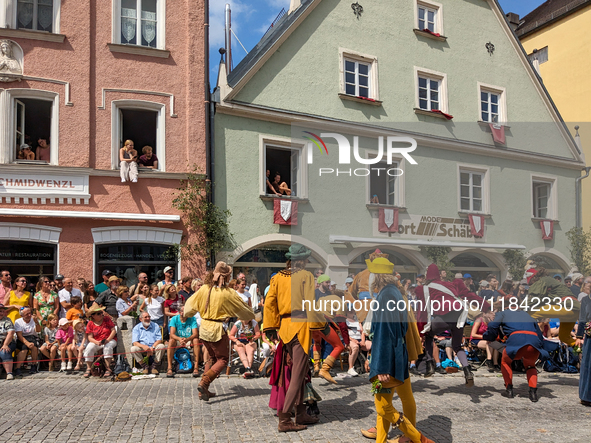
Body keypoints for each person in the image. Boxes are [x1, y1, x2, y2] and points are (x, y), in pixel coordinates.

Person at [368, 258, 435, 443]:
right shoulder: (395, 292)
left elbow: (384, 333)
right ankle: (383, 440)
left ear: (377, 276)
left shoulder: (386, 295)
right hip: (398, 356)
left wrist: (380, 366)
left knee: (382, 406)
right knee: (402, 397)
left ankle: (416, 437)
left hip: (386, 361)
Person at [263, 245, 324, 432]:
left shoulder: (277, 277)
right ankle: (284, 419)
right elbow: (309, 303)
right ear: (302, 260)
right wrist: (318, 327)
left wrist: (271, 327)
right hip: (301, 325)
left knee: (302, 370)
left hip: (285, 327)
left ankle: (301, 412)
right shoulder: (305, 276)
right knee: (298, 373)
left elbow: (269, 303)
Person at [184, 262, 255, 402]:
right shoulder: (228, 293)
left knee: (211, 358)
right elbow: (245, 311)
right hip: (217, 329)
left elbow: (188, 309)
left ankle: (202, 391)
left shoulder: (204, 288)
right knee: (223, 359)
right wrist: (249, 315)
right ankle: (204, 383)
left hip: (204, 328)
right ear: (226, 276)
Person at [415, 263, 482, 387]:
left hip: (445, 316)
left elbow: (422, 310)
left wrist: (421, 329)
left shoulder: (425, 288)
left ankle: (430, 365)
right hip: (459, 316)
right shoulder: (449, 284)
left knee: (429, 335)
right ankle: (467, 371)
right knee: (457, 345)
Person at [483, 308, 548, 402]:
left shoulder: (502, 313)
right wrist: (540, 349)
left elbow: (493, 324)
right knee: (530, 366)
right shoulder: (527, 315)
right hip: (533, 342)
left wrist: (490, 337)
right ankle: (533, 393)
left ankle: (509, 390)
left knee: (505, 362)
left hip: (516, 340)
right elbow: (539, 334)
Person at [525, 267, 580, 347]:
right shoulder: (549, 281)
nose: (530, 285)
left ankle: (523, 334)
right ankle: (583, 349)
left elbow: (534, 298)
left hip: (567, 308)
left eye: (530, 283)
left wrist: (520, 309)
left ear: (533, 277)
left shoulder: (542, 281)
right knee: (564, 337)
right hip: (575, 310)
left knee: (531, 313)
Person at [83, 306, 117, 378]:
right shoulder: (90, 323)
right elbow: (90, 337)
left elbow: (113, 330)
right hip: (97, 341)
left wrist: (107, 340)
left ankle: (108, 367)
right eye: (98, 313)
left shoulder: (106, 319)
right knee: (89, 348)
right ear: (93, 315)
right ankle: (89, 367)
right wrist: (97, 342)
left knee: (108, 347)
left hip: (110, 339)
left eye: (101, 312)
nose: (101, 314)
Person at [166, 305, 200, 378]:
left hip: (188, 339)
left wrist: (187, 339)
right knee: (171, 341)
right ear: (181, 312)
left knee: (196, 340)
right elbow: (172, 334)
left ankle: (196, 367)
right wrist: (179, 339)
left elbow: (195, 333)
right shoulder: (174, 319)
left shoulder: (192, 319)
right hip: (178, 339)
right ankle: (169, 367)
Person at [14, 307, 42, 376]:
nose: (30, 315)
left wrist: (36, 322)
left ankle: (34, 365)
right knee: (24, 349)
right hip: (22, 338)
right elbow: (19, 335)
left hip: (32, 336)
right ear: (22, 315)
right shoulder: (18, 322)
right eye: (27, 314)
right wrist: (27, 343)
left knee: (34, 346)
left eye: (30, 313)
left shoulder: (34, 319)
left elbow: (38, 331)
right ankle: (18, 368)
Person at [575, 287, 591, 406]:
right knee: (588, 364)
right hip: (590, 337)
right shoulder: (586, 299)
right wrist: (579, 336)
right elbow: (582, 319)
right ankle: (587, 396)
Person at [345, 309, 370, 377]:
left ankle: (369, 364)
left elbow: (362, 332)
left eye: (352, 311)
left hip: (359, 339)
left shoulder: (358, 321)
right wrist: (353, 340)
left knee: (372, 345)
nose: (351, 312)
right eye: (349, 311)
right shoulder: (345, 321)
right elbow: (344, 334)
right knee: (355, 347)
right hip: (350, 340)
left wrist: (362, 341)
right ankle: (350, 368)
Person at [0, 304, 15, 379]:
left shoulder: (7, 320)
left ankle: (9, 373)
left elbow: (10, 333)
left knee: (4, 351)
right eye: (0, 311)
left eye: (3, 311)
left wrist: (5, 344)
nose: (1, 313)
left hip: (7, 341)